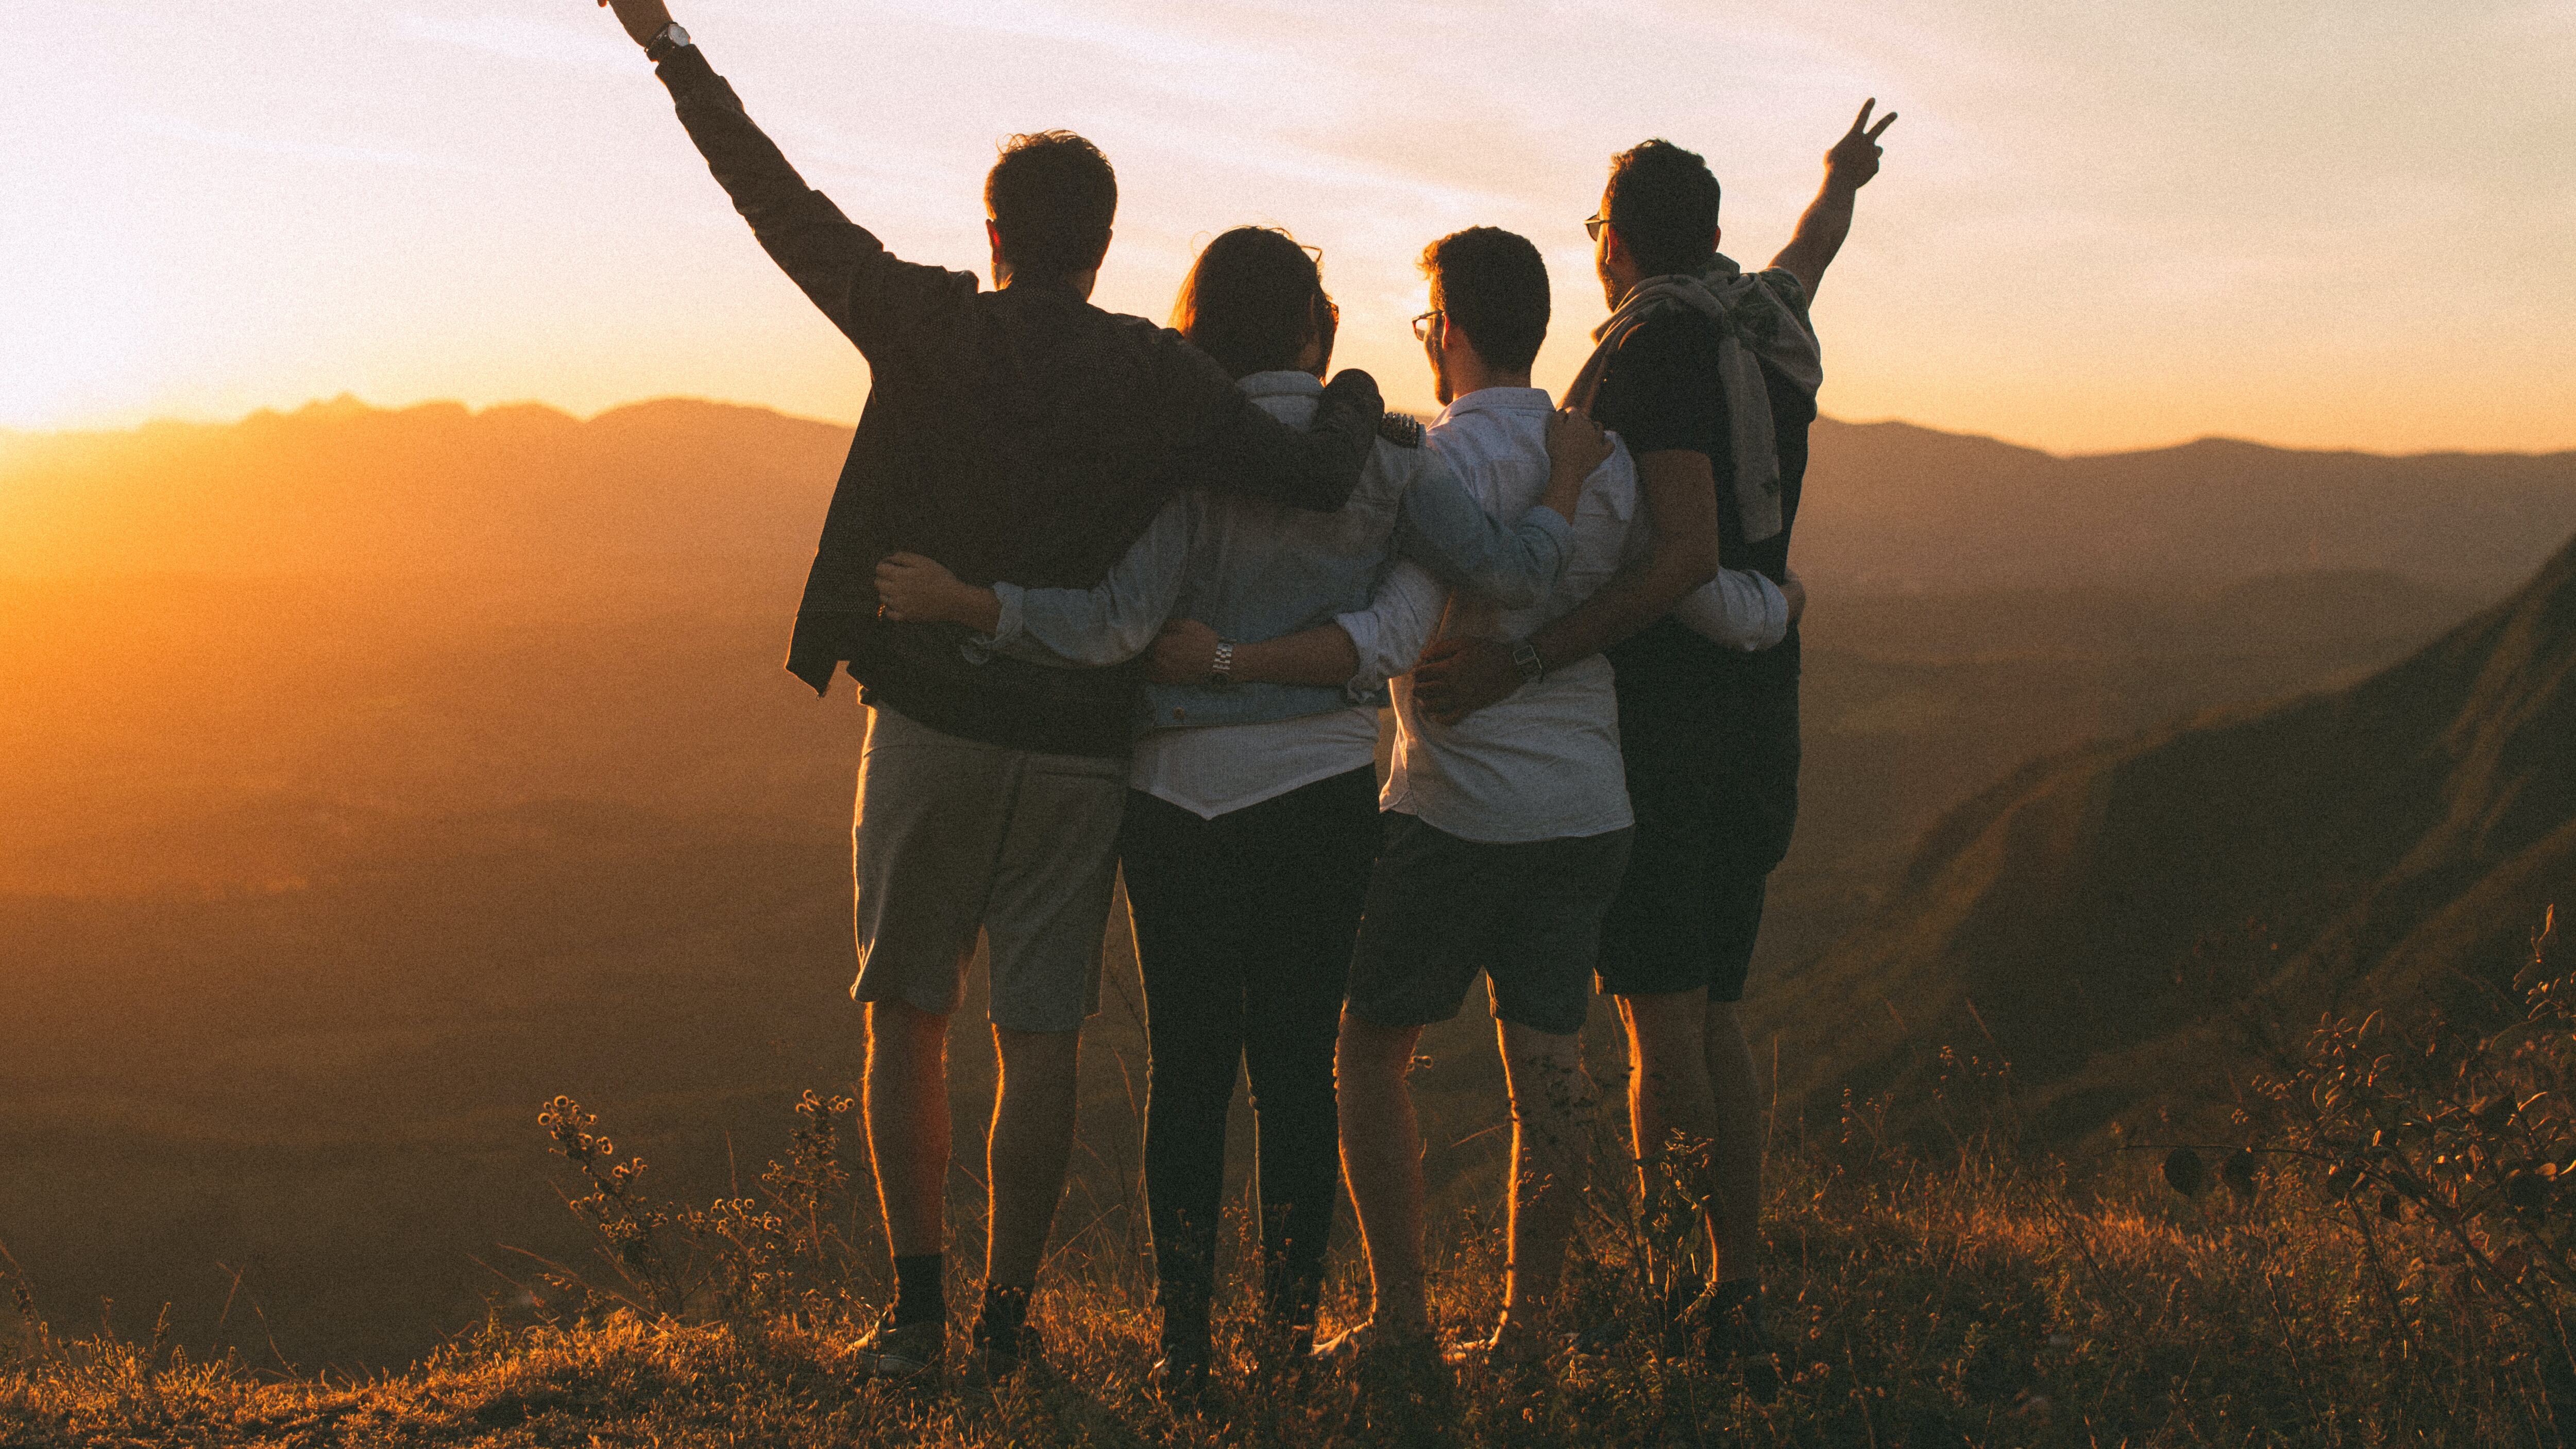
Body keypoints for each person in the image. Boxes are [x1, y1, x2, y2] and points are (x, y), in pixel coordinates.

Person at [583, 0, 1393, 1381]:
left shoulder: (927, 321)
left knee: (908, 1011)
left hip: (932, 722)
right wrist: (1363, 385)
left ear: (997, 227)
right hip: (1081, 747)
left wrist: (668, 46)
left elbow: (774, 197)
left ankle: (916, 1316)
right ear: (1104, 241)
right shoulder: (1158, 370)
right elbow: (1312, 471)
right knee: (1042, 1029)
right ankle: (1012, 1323)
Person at [871, 225, 1611, 1395]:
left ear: (1197, 332)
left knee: (1190, 1072)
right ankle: (1282, 1347)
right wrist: (1564, 486)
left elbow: (1113, 621)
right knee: (1297, 1073)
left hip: (1174, 800)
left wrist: (980, 607)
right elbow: (1515, 573)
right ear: (1318, 332)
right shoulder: (1388, 457)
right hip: (1318, 793)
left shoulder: (1180, 457)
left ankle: (1185, 1349)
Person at [1413, 107, 1894, 1367]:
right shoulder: (1761, 320)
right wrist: (1840, 180)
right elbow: (1814, 251)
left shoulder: (1651, 357)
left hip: (1678, 714)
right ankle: (1727, 1288)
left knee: (1661, 1013)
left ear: (1615, 244)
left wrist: (1523, 655)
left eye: (1594, 233)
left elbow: (1678, 549)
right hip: (1761, 701)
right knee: (1712, 1005)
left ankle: (1690, 1299)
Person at [1299, 227, 1788, 1368]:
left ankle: (1405, 1322)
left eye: (1429, 323)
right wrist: (1778, 606)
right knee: (1550, 1073)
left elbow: (1409, 625)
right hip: (1587, 808)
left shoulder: (1439, 464)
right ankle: (1527, 1330)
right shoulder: (1606, 465)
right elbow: (1681, 588)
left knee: (1369, 1049)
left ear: (1449, 330)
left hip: (1456, 806)